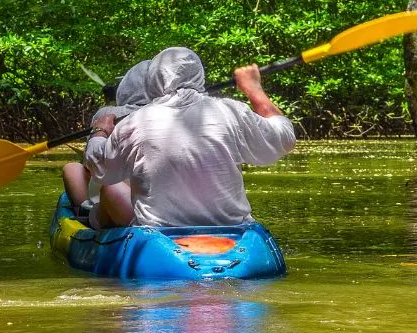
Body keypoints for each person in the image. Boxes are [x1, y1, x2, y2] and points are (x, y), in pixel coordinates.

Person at [84, 46, 295, 228]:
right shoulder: (231, 111)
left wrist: (99, 133)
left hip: (160, 234)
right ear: (199, 76)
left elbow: (102, 172)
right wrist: (254, 89)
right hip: (233, 228)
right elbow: (284, 137)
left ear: (152, 82)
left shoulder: (134, 122)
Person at [61, 60, 149, 219]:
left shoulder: (106, 113)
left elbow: (90, 164)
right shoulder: (173, 113)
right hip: (156, 201)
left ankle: (84, 211)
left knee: (72, 169)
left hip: (115, 199)